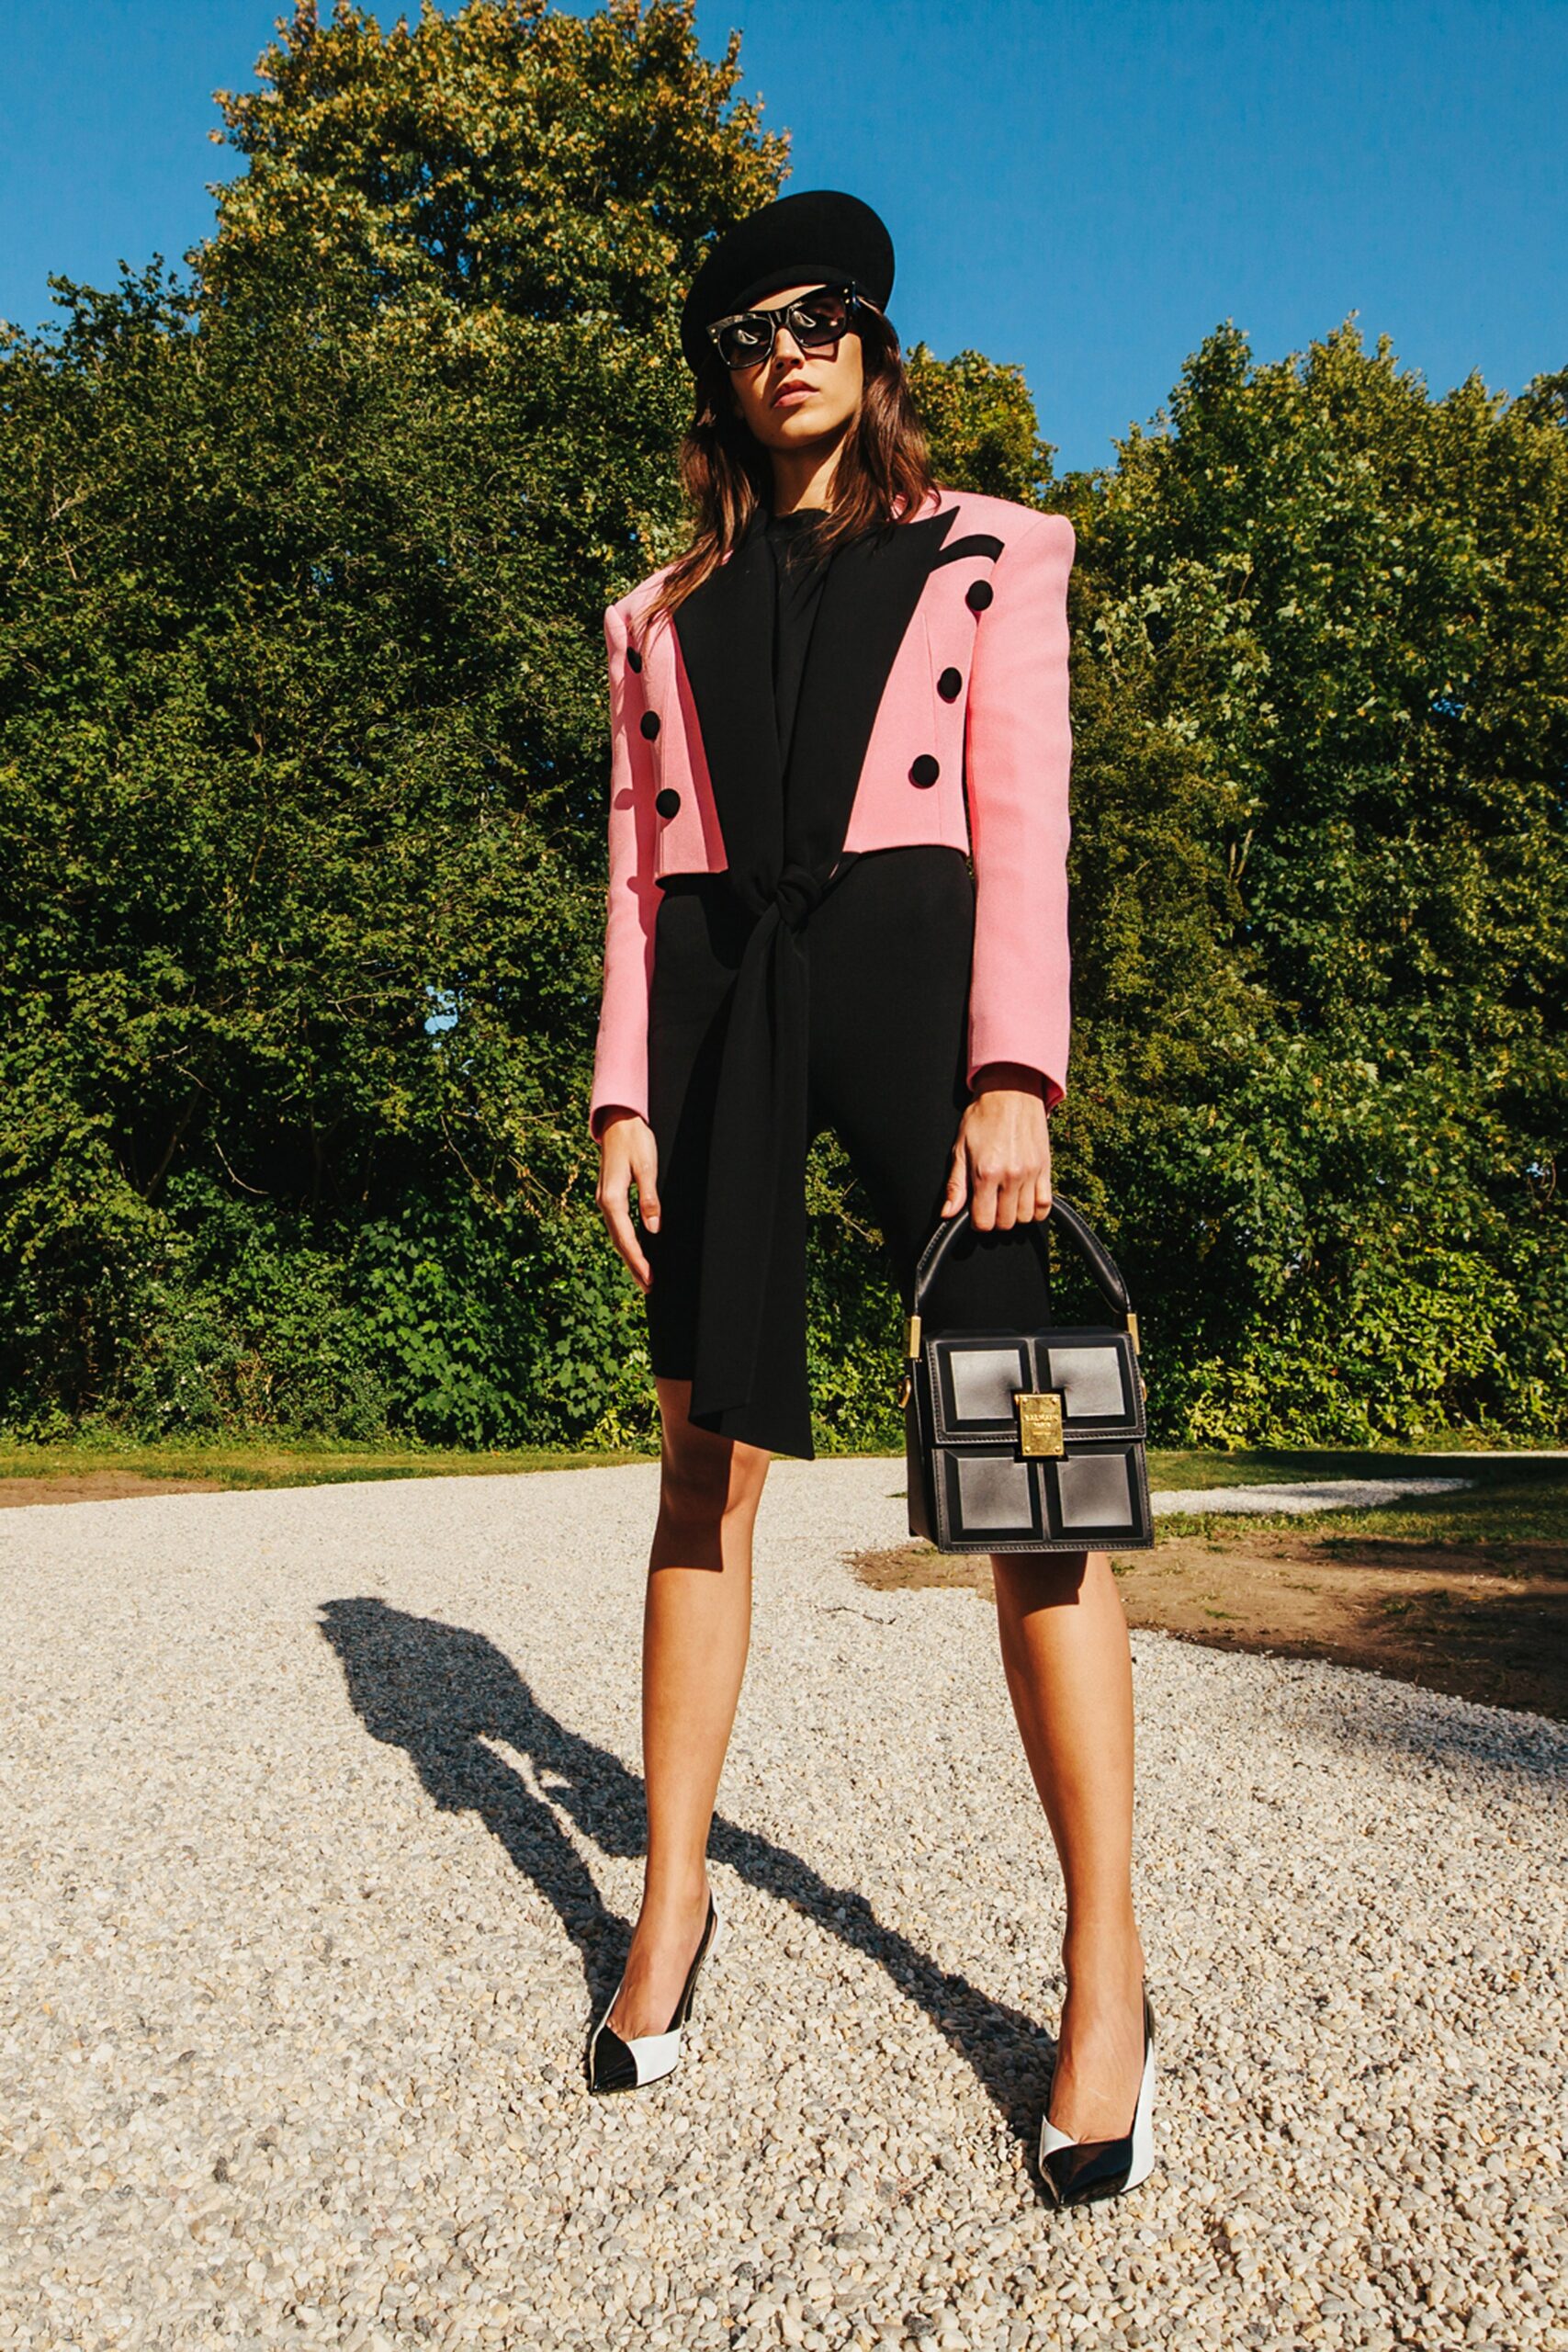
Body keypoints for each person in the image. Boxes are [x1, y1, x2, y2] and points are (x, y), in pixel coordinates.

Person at [582, 189, 1156, 2206]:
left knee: (1032, 1478)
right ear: (718, 378)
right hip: (730, 1000)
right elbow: (644, 878)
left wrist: (1014, 1071)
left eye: (823, 314)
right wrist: (619, 1093)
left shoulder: (998, 554)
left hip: (926, 983)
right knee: (695, 1465)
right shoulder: (653, 618)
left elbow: (1027, 826)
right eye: (748, 326)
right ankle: (670, 1906)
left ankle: (1103, 1956)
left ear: (872, 339)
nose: (790, 347)